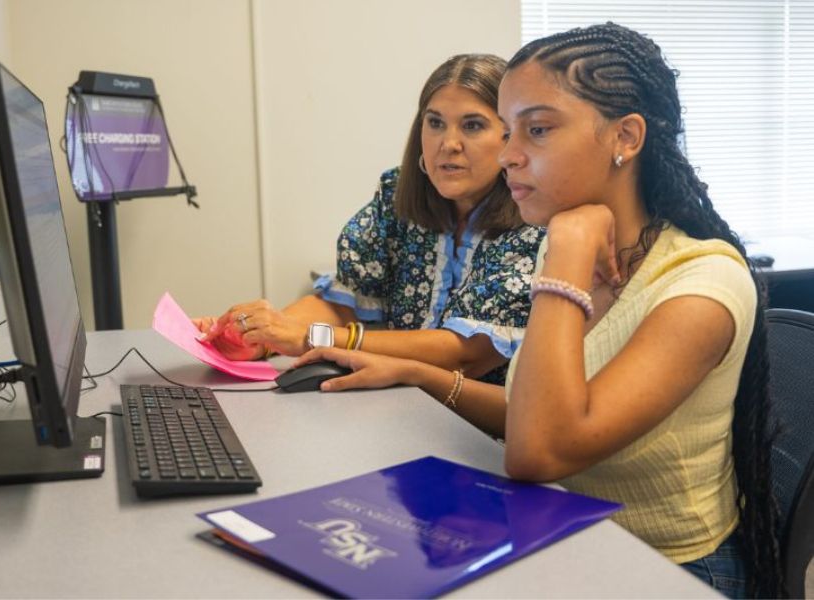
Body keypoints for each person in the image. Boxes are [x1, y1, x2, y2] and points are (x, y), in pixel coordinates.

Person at [296, 23, 782, 598]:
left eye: (538, 129)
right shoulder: (567, 243)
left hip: (664, 567)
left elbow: (539, 451)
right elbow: (535, 410)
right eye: (509, 132)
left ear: (625, 136)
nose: (508, 156)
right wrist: (418, 376)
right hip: (561, 530)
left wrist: (569, 252)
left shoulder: (699, 283)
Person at [196, 54, 543, 383]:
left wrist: (309, 337)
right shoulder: (396, 196)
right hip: (397, 404)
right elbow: (343, 303)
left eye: (472, 125)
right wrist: (264, 335)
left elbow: (467, 353)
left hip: (485, 434)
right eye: (435, 123)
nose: (448, 143)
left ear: (510, 136)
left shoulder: (536, 222)